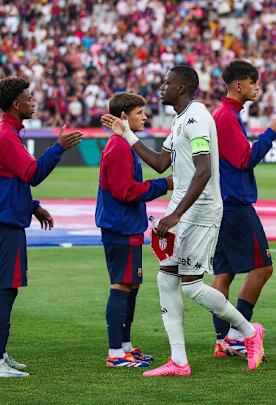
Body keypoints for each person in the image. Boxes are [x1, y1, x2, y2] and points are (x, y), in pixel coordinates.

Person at [101, 65, 266, 375]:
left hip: (200, 211)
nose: (162, 87)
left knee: (191, 286)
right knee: (166, 278)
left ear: (181, 88)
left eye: (167, 83)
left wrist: (176, 213)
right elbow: (162, 163)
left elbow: (204, 170)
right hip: (182, 211)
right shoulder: (179, 120)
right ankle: (179, 360)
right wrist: (127, 135)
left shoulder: (196, 117)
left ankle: (248, 331)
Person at [0, 77, 82, 377]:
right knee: (6, 290)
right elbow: (32, 173)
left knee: (7, 289)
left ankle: (0, 355)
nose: (34, 101)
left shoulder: (6, 132)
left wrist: (33, 206)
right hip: (0, 223)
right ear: (15, 103)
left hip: (1, 219)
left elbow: (10, 180)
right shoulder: (5, 135)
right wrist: (58, 148)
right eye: (28, 96)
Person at [210, 60, 276, 357]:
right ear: (239, 85)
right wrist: (270, 133)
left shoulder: (224, 114)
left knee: (224, 274)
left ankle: (222, 340)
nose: (258, 88)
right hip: (235, 205)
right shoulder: (227, 117)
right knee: (263, 267)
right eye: (254, 83)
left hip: (222, 204)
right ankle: (236, 334)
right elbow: (245, 159)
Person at [95, 92, 171, 367]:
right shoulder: (118, 147)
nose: (146, 117)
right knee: (121, 285)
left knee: (131, 285)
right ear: (124, 117)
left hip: (127, 225)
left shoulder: (124, 145)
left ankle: (125, 346)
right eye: (140, 112)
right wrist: (164, 184)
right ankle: (115, 353)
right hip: (120, 226)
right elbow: (125, 191)